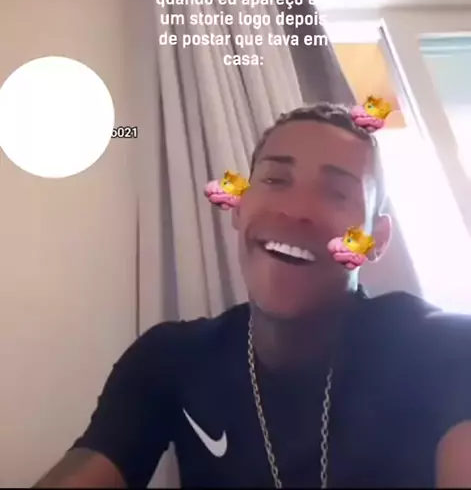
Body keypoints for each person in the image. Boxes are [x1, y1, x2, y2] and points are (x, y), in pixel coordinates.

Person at [36, 104, 471, 488]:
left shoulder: (442, 349)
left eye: (336, 192)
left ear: (377, 238)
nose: (295, 210)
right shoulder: (169, 360)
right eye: (276, 179)